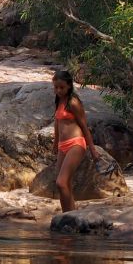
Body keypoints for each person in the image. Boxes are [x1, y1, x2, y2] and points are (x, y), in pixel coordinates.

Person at [51, 70, 98, 212]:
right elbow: (57, 122)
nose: (58, 90)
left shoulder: (73, 102)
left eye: (62, 87)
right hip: (62, 146)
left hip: (76, 144)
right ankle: (71, 215)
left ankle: (67, 215)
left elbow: (84, 126)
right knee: (65, 185)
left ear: (69, 86)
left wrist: (93, 149)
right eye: (56, 87)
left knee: (61, 182)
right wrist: (55, 143)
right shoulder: (59, 100)